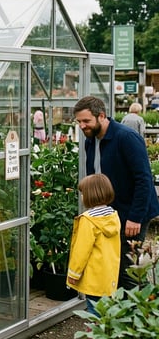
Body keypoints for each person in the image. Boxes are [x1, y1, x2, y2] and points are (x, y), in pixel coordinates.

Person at [73, 96, 159, 289]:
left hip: (132, 211)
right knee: (113, 263)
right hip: (111, 213)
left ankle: (144, 312)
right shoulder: (91, 140)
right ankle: (121, 312)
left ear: (101, 116)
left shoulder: (125, 137)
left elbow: (143, 179)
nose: (82, 126)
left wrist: (135, 217)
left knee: (128, 268)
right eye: (79, 121)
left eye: (86, 121)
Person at [66, 173, 121, 317]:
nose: (82, 197)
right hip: (109, 274)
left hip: (94, 276)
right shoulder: (113, 217)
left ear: (90, 195)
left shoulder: (88, 221)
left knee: (93, 310)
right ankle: (105, 337)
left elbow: (81, 251)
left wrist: (74, 273)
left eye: (83, 193)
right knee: (105, 310)